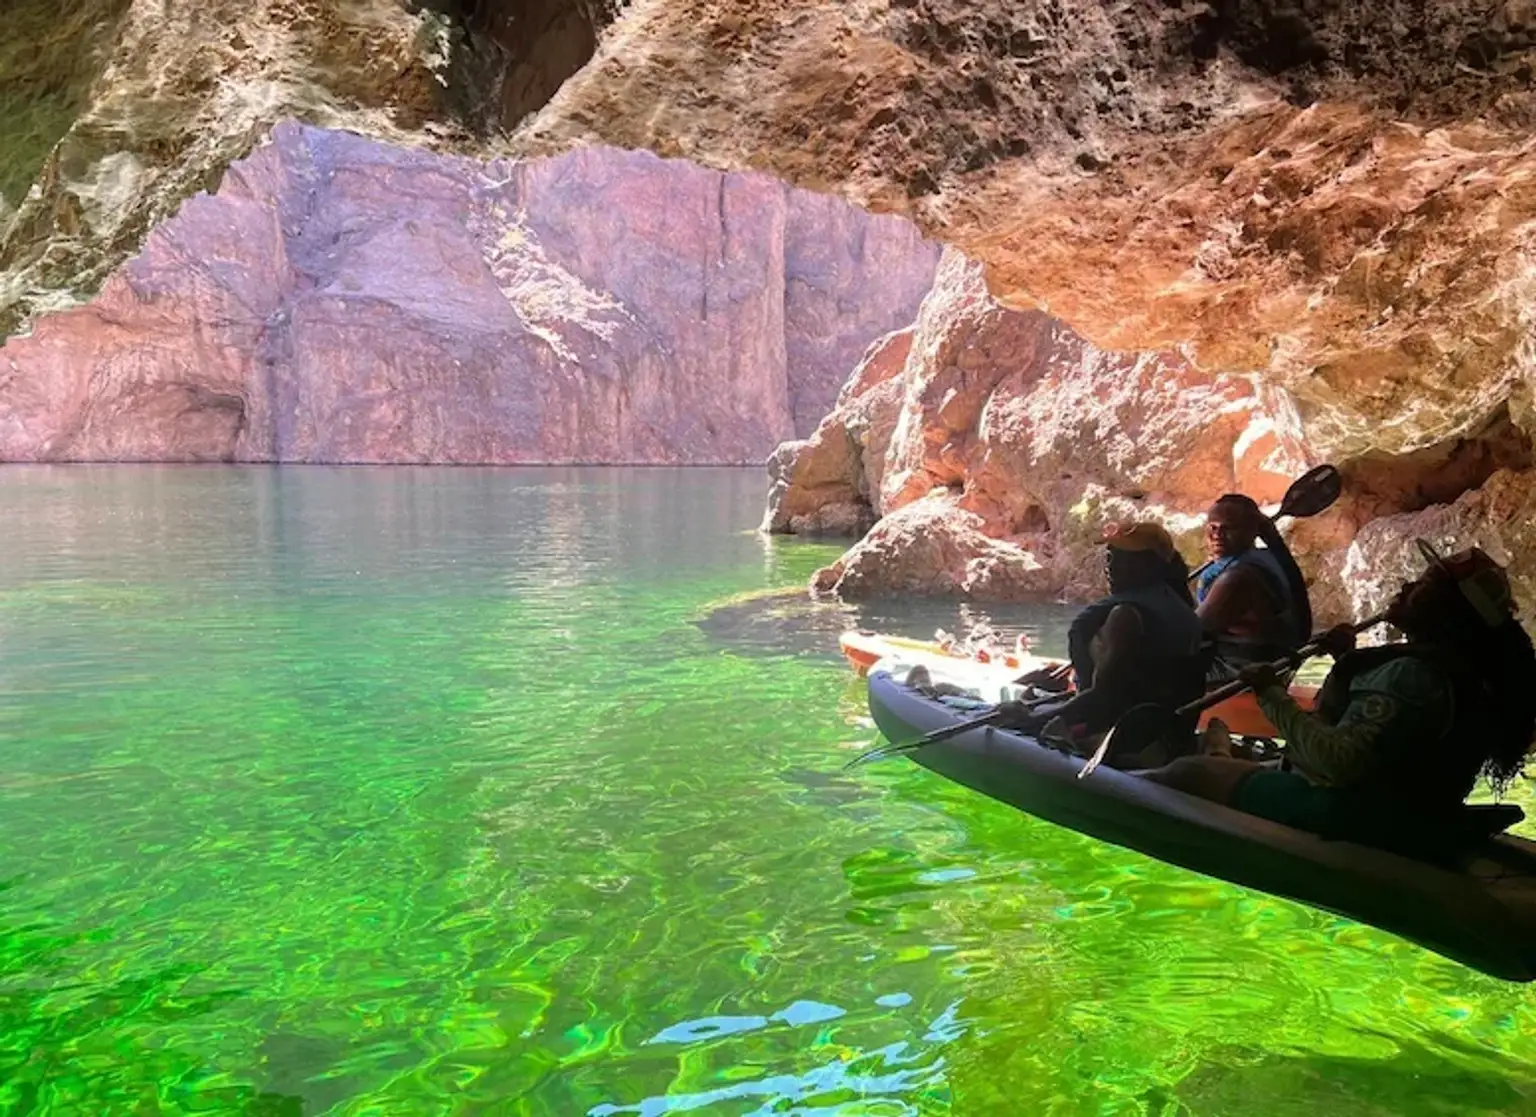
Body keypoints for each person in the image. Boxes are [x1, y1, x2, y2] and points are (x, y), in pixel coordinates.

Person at [1144, 546, 1536, 859]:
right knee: (1238, 757)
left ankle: (1139, 780)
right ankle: (1221, 753)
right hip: (1410, 811)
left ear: (1444, 610)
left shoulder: (1412, 674)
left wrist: (1271, 695)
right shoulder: (1459, 672)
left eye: (1421, 584)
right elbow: (1394, 733)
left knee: (1185, 773)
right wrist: (1344, 659)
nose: (1405, 586)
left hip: (1361, 817)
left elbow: (1340, 762)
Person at [1006, 522, 1203, 745]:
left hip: (1120, 736)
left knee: (1019, 713)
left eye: (1122, 556)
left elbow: (1102, 697)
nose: (1110, 565)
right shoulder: (1184, 611)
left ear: (1149, 564)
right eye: (1109, 555)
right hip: (1164, 731)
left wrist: (1033, 719)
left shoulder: (1126, 616)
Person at [1195, 494, 1312, 680]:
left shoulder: (1237, 578)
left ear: (1251, 532)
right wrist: (1270, 535)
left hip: (1238, 671)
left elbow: (1192, 632)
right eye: (1213, 527)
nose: (1217, 535)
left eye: (1229, 528)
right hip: (1273, 663)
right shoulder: (1269, 557)